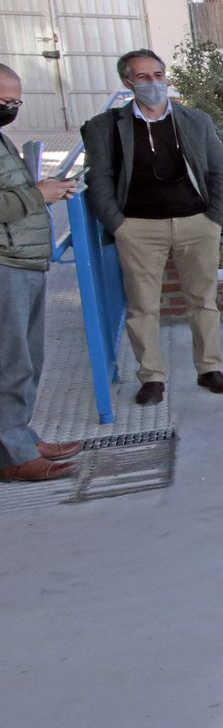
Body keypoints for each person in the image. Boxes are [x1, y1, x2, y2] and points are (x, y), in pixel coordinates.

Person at [81, 49, 223, 407]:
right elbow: (99, 178)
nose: (153, 83)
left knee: (203, 300)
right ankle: (151, 377)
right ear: (127, 82)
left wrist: (215, 215)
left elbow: (218, 170)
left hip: (197, 223)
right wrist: (117, 224)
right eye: (142, 77)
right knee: (142, 306)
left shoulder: (195, 120)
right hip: (137, 228)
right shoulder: (105, 126)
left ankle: (209, 368)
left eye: (158, 75)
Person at [0, 64, 82, 482]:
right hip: (6, 265)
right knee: (9, 363)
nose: (10, 109)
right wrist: (38, 194)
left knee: (27, 360)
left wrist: (46, 190)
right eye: (3, 101)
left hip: (23, 261)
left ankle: (20, 439)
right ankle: (13, 457)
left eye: (15, 102)